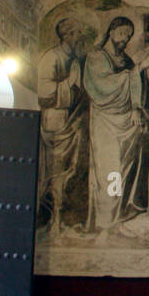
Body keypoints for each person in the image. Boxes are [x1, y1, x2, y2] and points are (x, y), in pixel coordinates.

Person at [84, 17, 149, 234]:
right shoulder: (96, 57)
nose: (125, 39)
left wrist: (138, 107)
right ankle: (105, 223)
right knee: (109, 170)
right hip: (105, 123)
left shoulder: (126, 61)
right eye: (122, 33)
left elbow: (137, 89)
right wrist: (140, 68)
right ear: (111, 31)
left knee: (123, 170)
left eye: (128, 35)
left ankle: (118, 218)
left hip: (126, 126)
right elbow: (103, 87)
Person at [37, 18, 88, 234]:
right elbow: (44, 93)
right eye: (76, 34)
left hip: (73, 122)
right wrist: (69, 82)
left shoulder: (75, 59)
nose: (79, 38)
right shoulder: (51, 58)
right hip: (55, 122)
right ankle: (53, 220)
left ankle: (66, 218)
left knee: (72, 170)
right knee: (56, 171)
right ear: (66, 35)